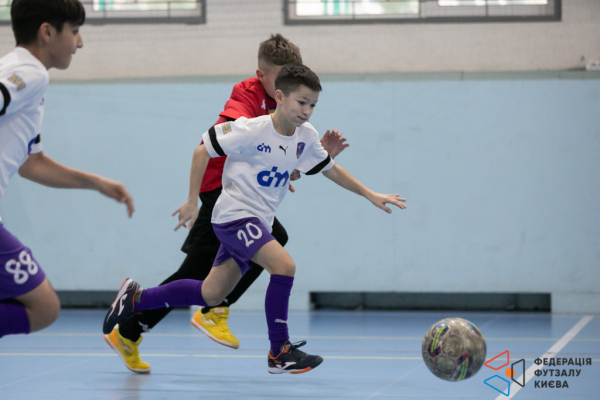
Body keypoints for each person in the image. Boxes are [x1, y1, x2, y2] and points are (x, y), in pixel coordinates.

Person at [103, 63, 406, 375]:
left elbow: (330, 169)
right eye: (301, 102)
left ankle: (135, 299)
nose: (307, 111)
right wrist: (192, 200)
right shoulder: (249, 130)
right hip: (234, 216)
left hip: (259, 220)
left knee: (212, 293)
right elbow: (201, 152)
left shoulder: (306, 136)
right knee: (284, 265)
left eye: (313, 105)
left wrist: (370, 193)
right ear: (280, 97)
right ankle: (280, 351)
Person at [0, 0, 135, 340]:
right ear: (47, 32)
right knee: (43, 307)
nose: (80, 42)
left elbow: (31, 164)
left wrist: (95, 182)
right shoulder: (31, 73)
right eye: (74, 31)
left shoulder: (20, 72)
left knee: (43, 306)